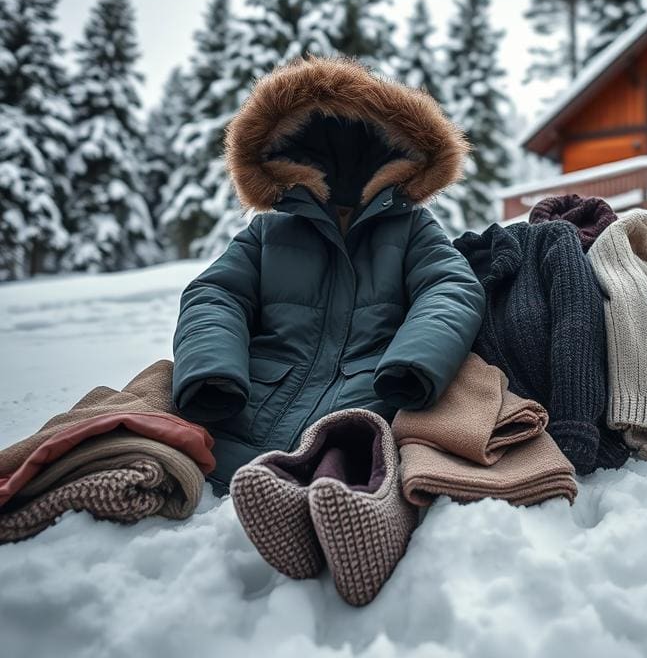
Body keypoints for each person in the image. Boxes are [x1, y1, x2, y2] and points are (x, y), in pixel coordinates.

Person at [171, 55, 486, 494]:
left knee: (353, 476)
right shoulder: (267, 232)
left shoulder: (412, 229)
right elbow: (215, 295)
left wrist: (414, 363)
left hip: (367, 408)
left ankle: (341, 512)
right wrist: (212, 371)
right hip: (245, 408)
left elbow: (451, 288)